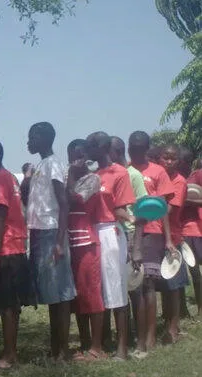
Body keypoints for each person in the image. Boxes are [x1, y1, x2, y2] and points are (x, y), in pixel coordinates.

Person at [0, 139, 34, 370]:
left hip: (6, 249)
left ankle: (9, 356)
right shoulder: (8, 177)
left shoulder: (0, 178)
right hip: (13, 247)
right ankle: (10, 352)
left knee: (8, 306)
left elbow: (0, 214)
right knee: (10, 306)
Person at [25, 122, 75, 360]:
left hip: (51, 232)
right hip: (38, 232)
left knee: (61, 294)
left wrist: (59, 241)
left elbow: (63, 203)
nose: (28, 142)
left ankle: (63, 351)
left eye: (32, 137)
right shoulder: (39, 165)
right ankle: (55, 348)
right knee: (51, 294)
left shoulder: (53, 164)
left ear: (44, 138)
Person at [86, 132, 135, 360]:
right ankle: (101, 344)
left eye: (89, 147)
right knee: (99, 289)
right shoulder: (93, 175)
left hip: (110, 233)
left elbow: (120, 208)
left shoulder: (120, 173)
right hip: (92, 233)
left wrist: (134, 220)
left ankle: (122, 347)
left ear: (100, 147)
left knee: (116, 290)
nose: (86, 151)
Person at [128, 130, 176, 354]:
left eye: (139, 148)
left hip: (152, 233)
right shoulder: (125, 171)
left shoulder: (158, 172)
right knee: (133, 286)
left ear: (147, 149)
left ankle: (150, 337)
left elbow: (164, 208)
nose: (135, 151)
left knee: (148, 285)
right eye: (132, 147)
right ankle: (135, 334)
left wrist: (168, 239)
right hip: (129, 232)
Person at [66, 139, 106, 360]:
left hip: (86, 242)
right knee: (78, 295)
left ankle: (97, 347)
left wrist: (70, 174)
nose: (75, 160)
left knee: (92, 294)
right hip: (70, 241)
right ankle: (83, 343)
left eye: (80, 156)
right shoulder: (68, 177)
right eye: (72, 155)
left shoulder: (92, 178)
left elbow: (74, 199)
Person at [110, 135, 148, 346]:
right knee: (120, 288)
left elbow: (142, 214)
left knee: (135, 290)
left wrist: (137, 249)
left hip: (132, 235)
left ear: (115, 152)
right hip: (116, 236)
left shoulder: (133, 176)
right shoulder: (114, 174)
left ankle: (141, 343)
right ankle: (125, 337)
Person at [158, 144, 189, 344]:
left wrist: (150, 210)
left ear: (179, 161)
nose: (169, 162)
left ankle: (173, 327)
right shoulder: (158, 177)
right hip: (156, 236)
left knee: (174, 285)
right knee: (163, 283)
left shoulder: (179, 181)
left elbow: (170, 210)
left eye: (173, 158)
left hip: (173, 238)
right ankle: (166, 320)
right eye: (165, 157)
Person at [181, 149, 202, 316]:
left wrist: (185, 201)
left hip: (194, 228)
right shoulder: (174, 178)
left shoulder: (196, 176)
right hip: (182, 229)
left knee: (195, 270)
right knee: (192, 269)